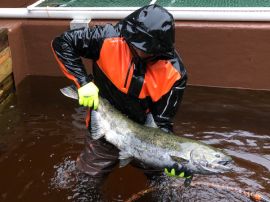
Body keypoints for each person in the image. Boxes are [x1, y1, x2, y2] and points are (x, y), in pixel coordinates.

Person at [52, 4, 190, 185]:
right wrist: (83, 83)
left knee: (162, 182)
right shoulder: (107, 37)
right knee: (87, 181)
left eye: (148, 50)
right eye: (136, 45)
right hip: (105, 126)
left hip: (145, 137)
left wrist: (172, 159)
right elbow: (62, 43)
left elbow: (162, 122)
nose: (141, 51)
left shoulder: (175, 74)